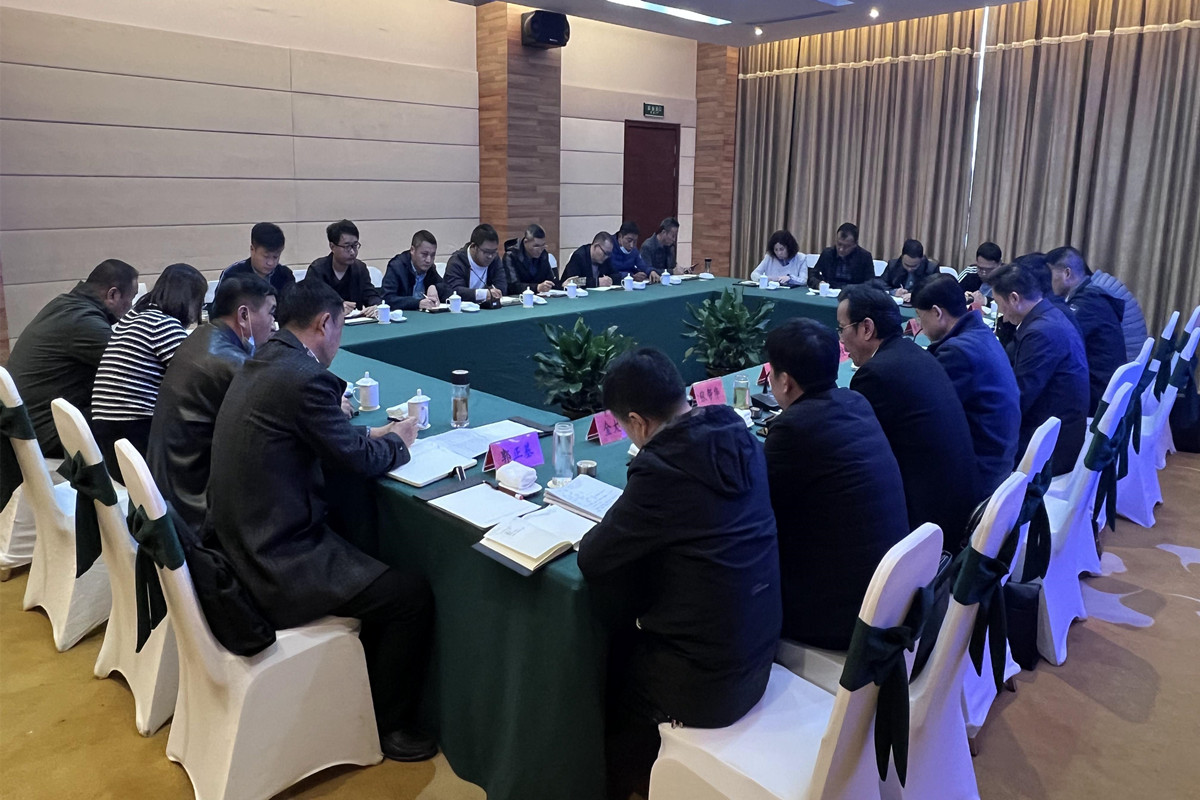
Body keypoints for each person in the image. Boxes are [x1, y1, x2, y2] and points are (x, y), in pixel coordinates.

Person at [208, 279, 435, 762]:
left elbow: (320, 434)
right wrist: (400, 442)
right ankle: (389, 725)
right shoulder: (305, 377)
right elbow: (358, 461)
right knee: (409, 597)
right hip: (273, 562)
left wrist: (372, 432)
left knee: (358, 540)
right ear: (325, 323)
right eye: (340, 330)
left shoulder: (268, 359)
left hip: (235, 543)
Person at [577, 348, 780, 800]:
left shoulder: (662, 468)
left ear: (637, 422)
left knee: (605, 671)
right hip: (761, 652)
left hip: (706, 685)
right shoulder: (740, 435)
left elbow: (593, 557)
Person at [763, 318, 908, 649]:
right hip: (888, 595)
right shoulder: (856, 402)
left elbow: (757, 508)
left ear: (784, 381)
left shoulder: (793, 429)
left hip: (840, 617)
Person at [838, 285, 983, 550]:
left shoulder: (876, 374)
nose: (842, 341)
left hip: (928, 524)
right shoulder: (915, 353)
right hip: (959, 503)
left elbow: (858, 455)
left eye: (842, 329)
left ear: (867, 328)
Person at [146, 274, 276, 534]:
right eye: (271, 313)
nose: (274, 324)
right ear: (243, 315)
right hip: (195, 508)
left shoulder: (202, 336)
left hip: (168, 493)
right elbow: (281, 415)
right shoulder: (228, 363)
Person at [6, 259, 138, 457]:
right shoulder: (84, 322)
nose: (131, 307)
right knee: (134, 413)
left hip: (27, 426)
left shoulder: (64, 305)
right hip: (46, 432)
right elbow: (133, 367)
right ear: (113, 294)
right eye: (132, 298)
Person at [91, 263, 208, 483]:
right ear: (188, 299)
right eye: (199, 302)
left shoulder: (135, 317)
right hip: (136, 436)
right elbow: (198, 375)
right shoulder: (162, 324)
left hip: (110, 435)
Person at [913, 275, 1021, 495]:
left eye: (920, 317)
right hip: (1000, 458)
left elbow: (926, 414)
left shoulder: (957, 352)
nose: (920, 328)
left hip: (981, 474)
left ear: (937, 313)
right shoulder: (981, 333)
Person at [990, 261, 1090, 476]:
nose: (1002, 314)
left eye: (999, 304)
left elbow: (1020, 398)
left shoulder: (1041, 333)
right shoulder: (1050, 314)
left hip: (1051, 447)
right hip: (1059, 428)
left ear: (1014, 298)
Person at [1048, 246, 1127, 414]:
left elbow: (1058, 344)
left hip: (1097, 396)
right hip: (1106, 389)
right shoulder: (1092, 296)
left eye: (1050, 274)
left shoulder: (1086, 305)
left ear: (1067, 273)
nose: (1048, 282)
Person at [307, 219, 382, 316]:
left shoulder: (360, 268)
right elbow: (311, 302)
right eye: (347, 247)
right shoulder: (317, 270)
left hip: (356, 321)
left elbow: (370, 294)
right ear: (332, 246)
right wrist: (335, 307)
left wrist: (376, 306)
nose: (352, 252)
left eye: (355, 245)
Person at [217, 221, 294, 296]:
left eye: (275, 257)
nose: (270, 263)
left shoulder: (285, 275)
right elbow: (219, 304)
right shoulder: (232, 274)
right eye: (266, 256)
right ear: (252, 249)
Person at [382, 229, 445, 311]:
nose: (428, 260)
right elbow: (387, 299)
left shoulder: (430, 268)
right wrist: (417, 303)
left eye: (432, 255)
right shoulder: (396, 267)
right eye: (424, 254)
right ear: (412, 250)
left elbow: (448, 290)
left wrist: (434, 287)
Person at [443, 223, 507, 301]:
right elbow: (455, 291)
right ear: (474, 247)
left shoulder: (495, 259)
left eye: (494, 252)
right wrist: (483, 294)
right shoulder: (457, 261)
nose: (490, 256)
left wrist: (496, 292)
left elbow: (502, 285)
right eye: (486, 252)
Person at [809, 222, 874, 289]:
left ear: (855, 244)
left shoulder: (864, 257)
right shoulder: (827, 253)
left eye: (846, 246)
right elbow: (812, 275)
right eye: (839, 244)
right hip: (830, 290)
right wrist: (819, 283)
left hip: (853, 292)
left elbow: (871, 283)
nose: (841, 249)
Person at [501, 223, 556, 294]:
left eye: (543, 245)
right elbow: (512, 286)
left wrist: (561, 284)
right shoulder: (511, 256)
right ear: (525, 242)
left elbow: (551, 280)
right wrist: (536, 287)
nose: (540, 250)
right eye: (536, 246)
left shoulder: (543, 254)